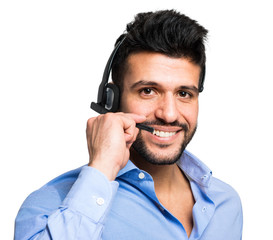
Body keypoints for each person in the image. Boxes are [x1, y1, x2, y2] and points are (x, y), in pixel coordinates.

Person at [15, 9, 243, 240]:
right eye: (148, 91)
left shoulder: (225, 203)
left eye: (184, 93)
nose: (170, 114)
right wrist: (102, 167)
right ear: (111, 99)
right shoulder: (50, 207)